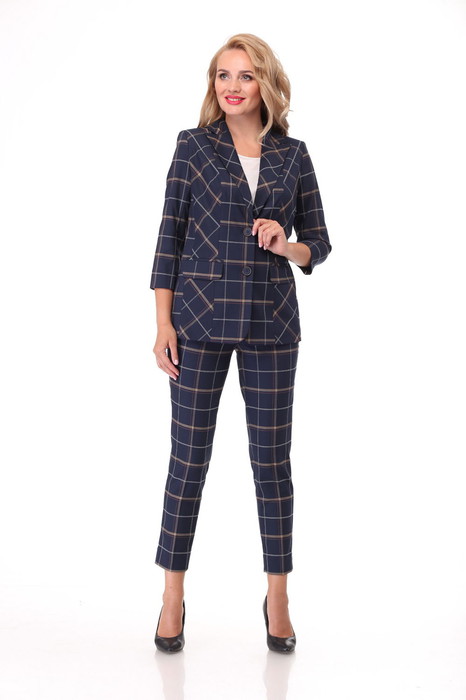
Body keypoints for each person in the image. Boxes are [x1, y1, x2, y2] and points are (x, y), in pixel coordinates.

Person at [149, 33, 332, 653]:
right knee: (188, 461)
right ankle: (171, 596)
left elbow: (318, 243)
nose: (232, 86)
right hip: (197, 323)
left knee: (272, 464)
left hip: (273, 325)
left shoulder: (293, 155)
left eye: (246, 76)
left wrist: (287, 243)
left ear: (265, 84)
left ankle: (278, 597)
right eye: (223, 75)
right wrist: (163, 324)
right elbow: (169, 240)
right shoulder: (193, 146)